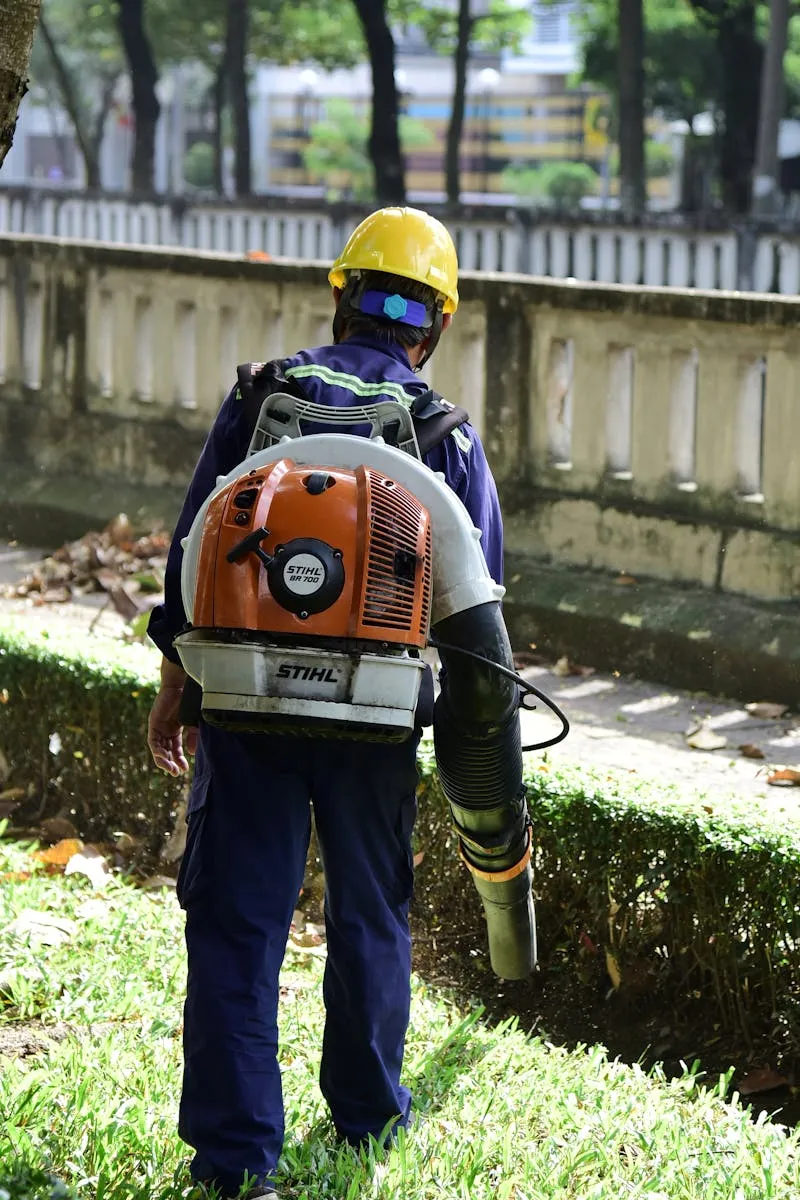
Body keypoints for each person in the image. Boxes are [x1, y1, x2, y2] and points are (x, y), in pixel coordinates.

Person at [146, 207, 505, 1200]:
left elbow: (193, 549)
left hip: (244, 704)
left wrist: (178, 679)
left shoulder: (260, 398)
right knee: (369, 917)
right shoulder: (443, 436)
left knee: (234, 921)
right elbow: (478, 611)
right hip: (375, 719)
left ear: (338, 295)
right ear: (432, 324)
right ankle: (367, 1115)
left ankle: (234, 1160)